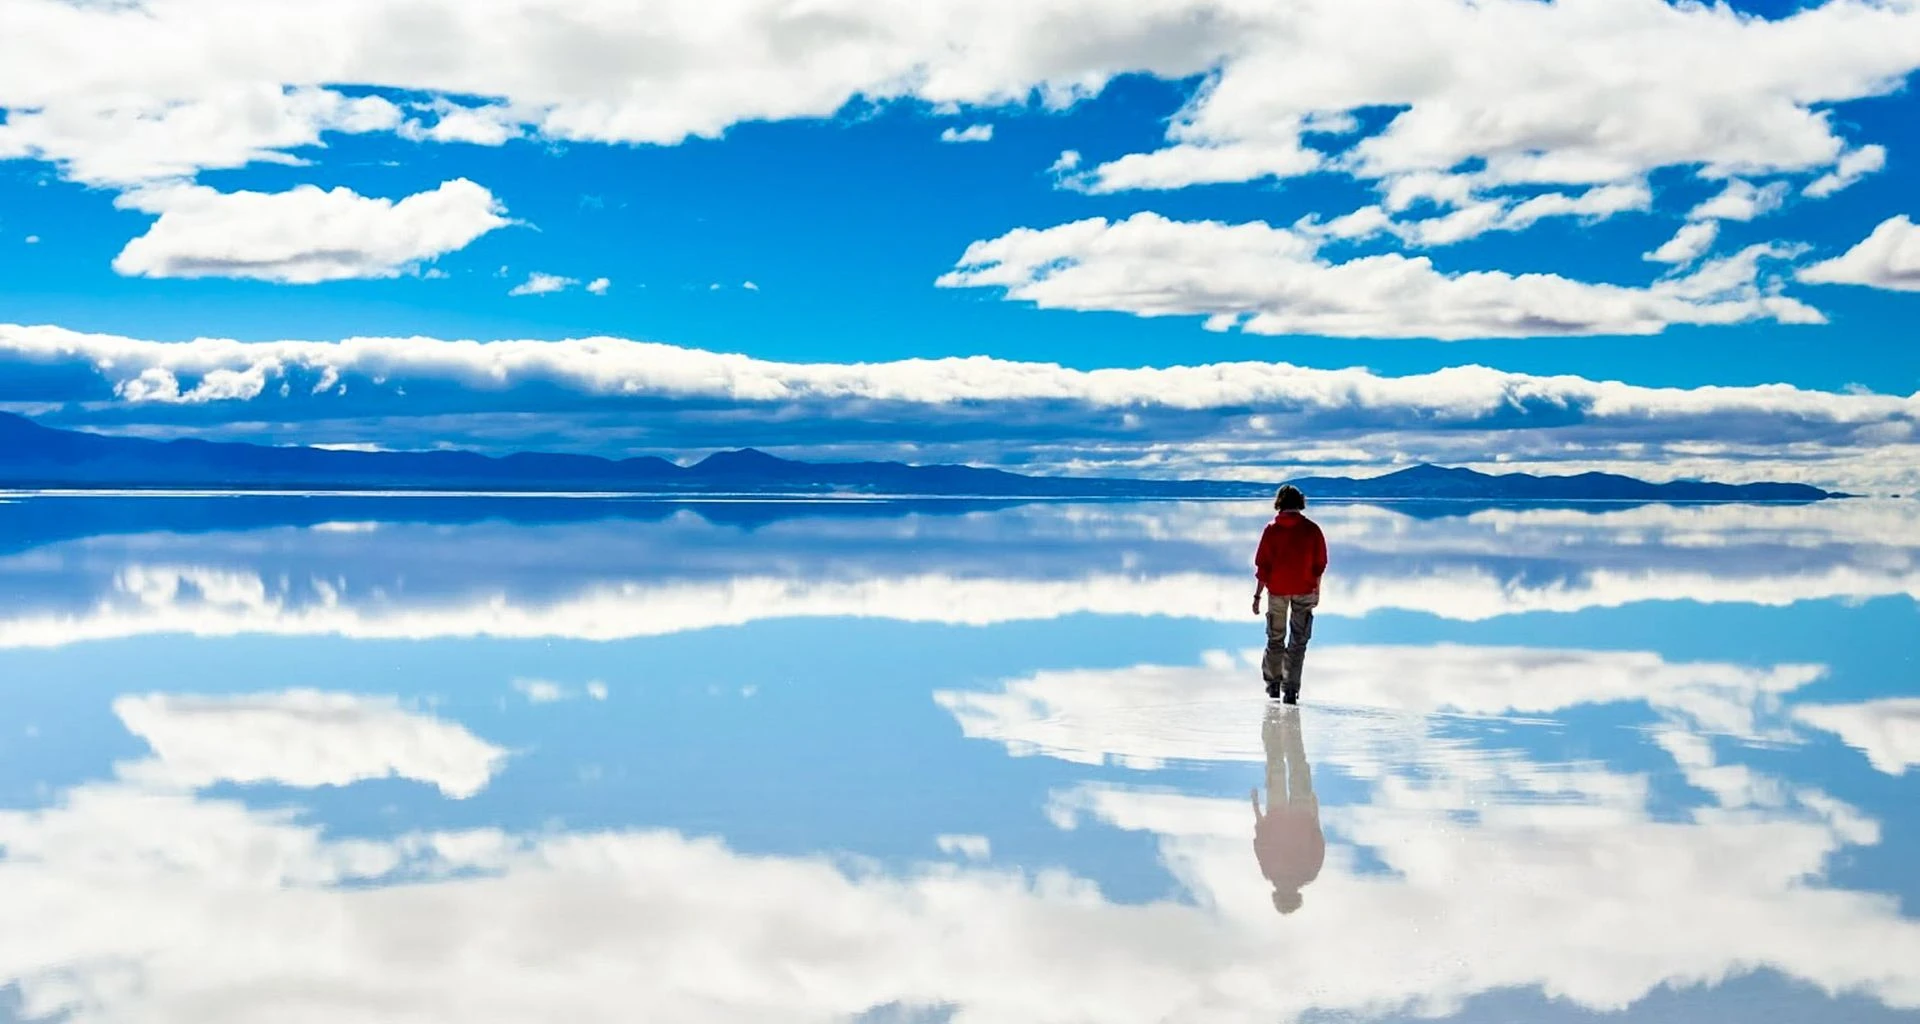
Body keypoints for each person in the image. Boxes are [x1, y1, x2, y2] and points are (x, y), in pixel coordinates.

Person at [1252, 484, 1327, 703]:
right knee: (1298, 641)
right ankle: (1291, 689)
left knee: (1275, 638)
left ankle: (1273, 685)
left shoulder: (1271, 529)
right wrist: (1317, 591)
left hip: (1277, 591)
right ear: (1300, 503)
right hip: (1305, 590)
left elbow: (1262, 566)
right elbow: (1319, 565)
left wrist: (1257, 595)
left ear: (1280, 504)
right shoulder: (1312, 529)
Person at [1252, 704, 1323, 915]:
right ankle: (1281, 727)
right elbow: (1260, 837)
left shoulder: (1308, 873)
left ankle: (1286, 727)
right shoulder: (1271, 871)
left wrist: (1315, 809)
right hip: (1280, 811)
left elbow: (1317, 837)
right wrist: (1255, 806)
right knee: (1277, 765)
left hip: (1298, 813)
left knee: (1296, 762)